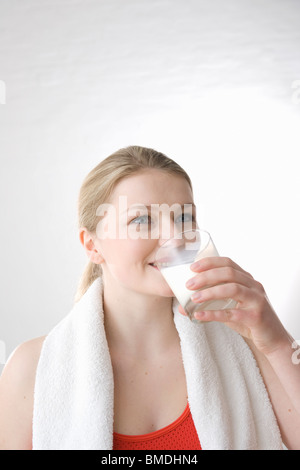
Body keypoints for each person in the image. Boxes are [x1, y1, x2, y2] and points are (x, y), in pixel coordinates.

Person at [0, 145, 300, 450]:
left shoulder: (245, 343)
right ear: (92, 245)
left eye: (184, 217)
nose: (176, 237)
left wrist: (275, 341)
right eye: (142, 220)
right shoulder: (32, 369)